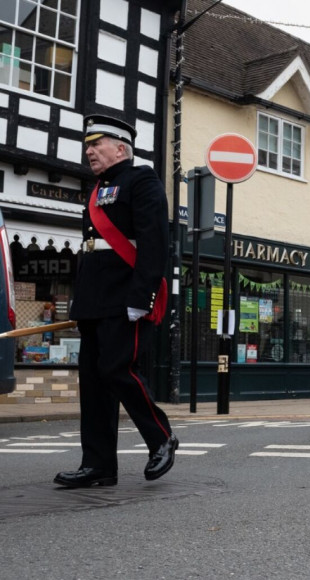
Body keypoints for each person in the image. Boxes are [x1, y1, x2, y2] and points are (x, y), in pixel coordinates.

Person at [55, 114, 177, 488]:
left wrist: (143, 296)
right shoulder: (96, 190)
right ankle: (98, 464)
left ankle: (161, 438)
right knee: (92, 383)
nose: (89, 151)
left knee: (118, 369)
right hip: (95, 299)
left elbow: (154, 243)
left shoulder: (141, 180)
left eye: (97, 143)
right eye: (87, 145)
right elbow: (92, 251)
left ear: (120, 146)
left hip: (126, 296)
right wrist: (81, 305)